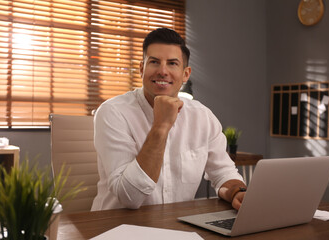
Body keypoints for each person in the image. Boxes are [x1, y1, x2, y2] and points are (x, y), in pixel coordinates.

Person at [91, 28, 246, 211]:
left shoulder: (203, 117)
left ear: (185, 74)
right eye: (154, 62)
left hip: (176, 224)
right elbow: (130, 197)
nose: (163, 71)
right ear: (142, 69)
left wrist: (237, 192)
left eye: (172, 63)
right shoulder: (112, 112)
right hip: (114, 227)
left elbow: (222, 172)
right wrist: (161, 126)